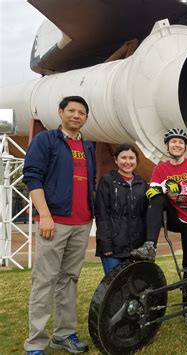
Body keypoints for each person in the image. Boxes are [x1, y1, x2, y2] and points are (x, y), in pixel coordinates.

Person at [23, 96, 96, 355]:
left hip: (81, 223)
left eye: (82, 112)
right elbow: (32, 177)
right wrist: (44, 215)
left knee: (69, 280)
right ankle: (35, 343)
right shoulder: (46, 141)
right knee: (44, 281)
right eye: (72, 111)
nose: (76, 115)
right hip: (54, 222)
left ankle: (64, 334)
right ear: (60, 112)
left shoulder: (87, 147)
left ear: (86, 117)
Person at [134, 128, 187, 328]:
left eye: (180, 142)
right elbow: (151, 191)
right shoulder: (160, 167)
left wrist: (164, 186)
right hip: (173, 215)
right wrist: (164, 188)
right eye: (173, 142)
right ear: (167, 146)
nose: (177, 145)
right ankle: (150, 245)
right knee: (155, 198)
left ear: (185, 147)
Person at [95, 144, 148, 274]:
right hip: (113, 247)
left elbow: (146, 216)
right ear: (116, 160)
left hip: (137, 247)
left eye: (131, 158)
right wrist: (106, 244)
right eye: (123, 158)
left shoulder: (142, 184)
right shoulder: (107, 181)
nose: (128, 162)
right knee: (115, 285)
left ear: (136, 160)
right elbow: (102, 215)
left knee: (134, 284)